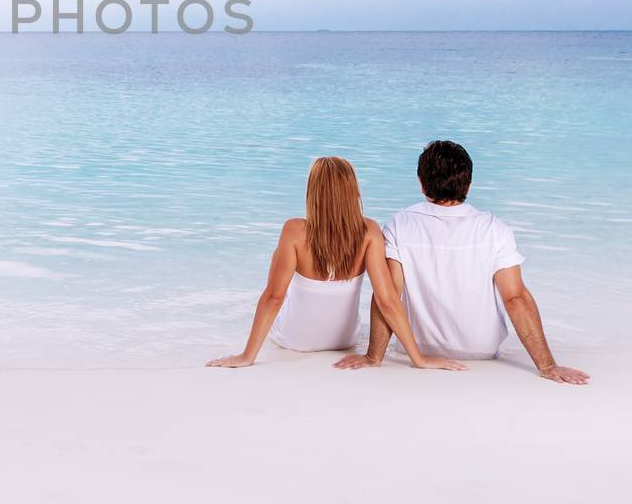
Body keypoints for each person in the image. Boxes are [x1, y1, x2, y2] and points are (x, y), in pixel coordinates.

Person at [334, 140, 589, 384]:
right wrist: (547, 365)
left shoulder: (400, 225)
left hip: (420, 348)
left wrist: (374, 356)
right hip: (482, 351)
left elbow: (389, 295)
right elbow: (515, 298)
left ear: (422, 183)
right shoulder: (494, 229)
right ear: (467, 185)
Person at [206, 156, 466, 371]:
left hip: (294, 340)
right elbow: (387, 300)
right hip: (344, 340)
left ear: (313, 192)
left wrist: (247, 356)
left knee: (278, 261)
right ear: (353, 191)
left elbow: (274, 297)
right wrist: (418, 358)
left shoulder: (294, 230)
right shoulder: (369, 231)